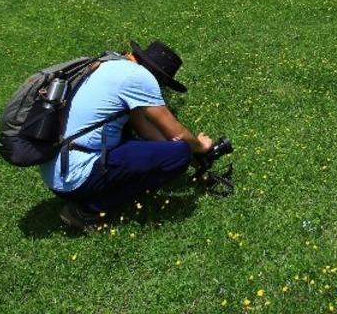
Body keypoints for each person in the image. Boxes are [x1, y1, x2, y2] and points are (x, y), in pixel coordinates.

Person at [41, 41, 214, 231]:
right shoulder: (140, 77)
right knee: (180, 152)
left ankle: (99, 193)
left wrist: (179, 155)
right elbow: (176, 131)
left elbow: (145, 130)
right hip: (75, 176)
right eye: (163, 82)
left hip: (57, 168)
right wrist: (200, 146)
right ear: (157, 74)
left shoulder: (110, 65)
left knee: (173, 151)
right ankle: (85, 211)